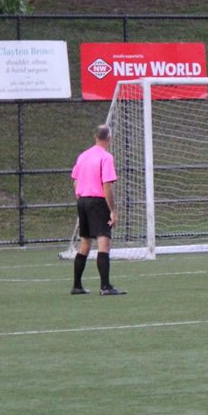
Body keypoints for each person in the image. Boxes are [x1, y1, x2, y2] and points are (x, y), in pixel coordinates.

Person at [70, 125, 125, 295]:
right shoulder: (106, 157)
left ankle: (77, 286)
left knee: (85, 242)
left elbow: (75, 182)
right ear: (109, 138)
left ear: (95, 137)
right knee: (103, 242)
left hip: (83, 201)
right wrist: (112, 210)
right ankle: (105, 287)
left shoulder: (83, 156)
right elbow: (107, 185)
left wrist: (81, 199)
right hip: (97, 201)